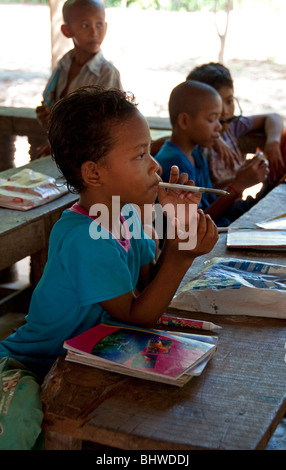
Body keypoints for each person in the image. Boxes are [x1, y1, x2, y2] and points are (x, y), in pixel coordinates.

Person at [0, 86, 218, 383]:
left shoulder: (125, 214)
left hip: (87, 357)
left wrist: (177, 228)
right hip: (31, 367)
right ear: (93, 174)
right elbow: (136, 315)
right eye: (141, 155)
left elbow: (147, 289)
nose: (155, 165)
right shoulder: (85, 236)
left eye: (150, 151)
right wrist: (182, 256)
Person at [155, 80, 269, 226]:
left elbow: (211, 201)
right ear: (184, 121)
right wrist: (237, 186)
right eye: (211, 119)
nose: (219, 127)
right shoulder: (175, 165)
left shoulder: (195, 154)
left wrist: (243, 176)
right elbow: (196, 224)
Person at [35, 0, 122, 157]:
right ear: (67, 31)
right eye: (84, 25)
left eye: (99, 24)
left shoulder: (107, 73)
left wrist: (62, 125)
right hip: (63, 150)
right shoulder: (65, 63)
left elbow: (105, 125)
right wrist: (47, 116)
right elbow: (51, 101)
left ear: (106, 26)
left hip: (91, 155)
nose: (94, 33)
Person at [187, 62, 285, 187]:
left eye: (229, 101)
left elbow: (273, 117)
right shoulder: (197, 146)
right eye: (216, 104)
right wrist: (215, 139)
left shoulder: (232, 127)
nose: (225, 111)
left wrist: (273, 144)